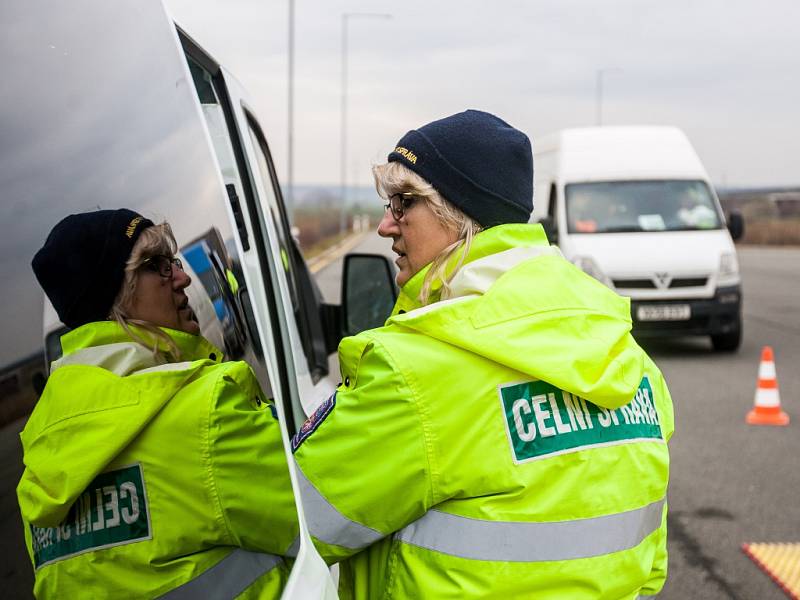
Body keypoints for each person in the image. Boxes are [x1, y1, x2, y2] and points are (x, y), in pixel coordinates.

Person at [290, 110, 674, 598]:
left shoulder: (413, 371)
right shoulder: (628, 357)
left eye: (403, 202)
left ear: (457, 215)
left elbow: (291, 524)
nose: (387, 225)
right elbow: (650, 560)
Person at [18, 209, 297, 598]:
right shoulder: (203, 415)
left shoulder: (40, 469)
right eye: (157, 266)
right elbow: (333, 499)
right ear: (114, 298)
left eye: (173, 262)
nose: (181, 278)